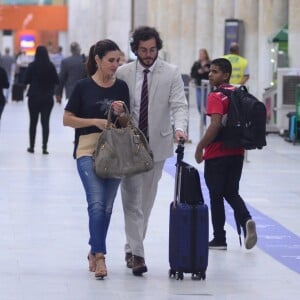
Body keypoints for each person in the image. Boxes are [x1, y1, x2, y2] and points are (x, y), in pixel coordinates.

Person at [116, 26, 188, 275]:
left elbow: (179, 105)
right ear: (135, 49)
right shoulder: (123, 72)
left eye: (153, 49)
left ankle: (130, 246)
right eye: (143, 50)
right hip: (129, 147)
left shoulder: (171, 73)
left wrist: (180, 128)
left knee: (145, 202)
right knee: (130, 201)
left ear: (158, 48)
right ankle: (138, 255)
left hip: (157, 146)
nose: (148, 54)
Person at [63, 39, 130, 279]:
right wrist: (93, 121)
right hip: (87, 150)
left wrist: (122, 114)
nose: (115, 65)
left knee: (108, 207)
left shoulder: (121, 87)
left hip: (115, 152)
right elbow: (67, 119)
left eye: (118, 60)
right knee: (97, 203)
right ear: (98, 60)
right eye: (111, 60)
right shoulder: (83, 86)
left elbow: (127, 124)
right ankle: (100, 256)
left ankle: (93, 250)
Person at [194, 58, 257, 250]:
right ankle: (246, 220)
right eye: (210, 71)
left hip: (216, 154)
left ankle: (219, 238)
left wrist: (200, 147)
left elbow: (214, 126)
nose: (210, 75)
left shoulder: (215, 96)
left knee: (215, 195)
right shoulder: (238, 92)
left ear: (225, 75)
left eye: (215, 72)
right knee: (231, 191)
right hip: (237, 151)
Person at [23, 45, 59, 154]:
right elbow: (57, 81)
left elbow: (25, 81)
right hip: (47, 98)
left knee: (33, 122)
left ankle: (31, 147)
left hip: (34, 97)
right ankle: (44, 147)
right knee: (45, 122)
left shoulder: (32, 66)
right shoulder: (51, 66)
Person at [190, 48, 211, 116]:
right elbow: (192, 74)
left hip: (207, 87)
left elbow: (213, 74)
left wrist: (207, 71)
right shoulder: (196, 64)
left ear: (205, 55)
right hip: (198, 86)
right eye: (199, 54)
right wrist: (198, 72)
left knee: (205, 105)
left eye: (202, 54)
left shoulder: (210, 63)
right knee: (199, 105)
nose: (200, 55)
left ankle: (204, 123)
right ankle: (203, 122)